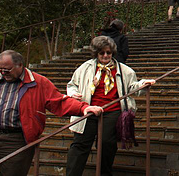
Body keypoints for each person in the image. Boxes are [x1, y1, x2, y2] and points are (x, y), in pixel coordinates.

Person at [0, 50, 102, 176]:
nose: (3, 73)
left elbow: (58, 101)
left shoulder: (38, 82)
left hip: (16, 139)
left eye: (7, 69)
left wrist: (83, 108)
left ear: (20, 65)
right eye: (0, 69)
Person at [66, 36, 155, 176]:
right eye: (102, 53)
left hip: (111, 111)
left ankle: (104, 172)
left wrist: (143, 84)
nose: (106, 55)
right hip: (88, 110)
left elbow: (132, 87)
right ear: (96, 53)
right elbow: (72, 85)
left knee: (107, 143)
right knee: (80, 144)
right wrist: (73, 93)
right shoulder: (85, 68)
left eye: (108, 52)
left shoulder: (125, 70)